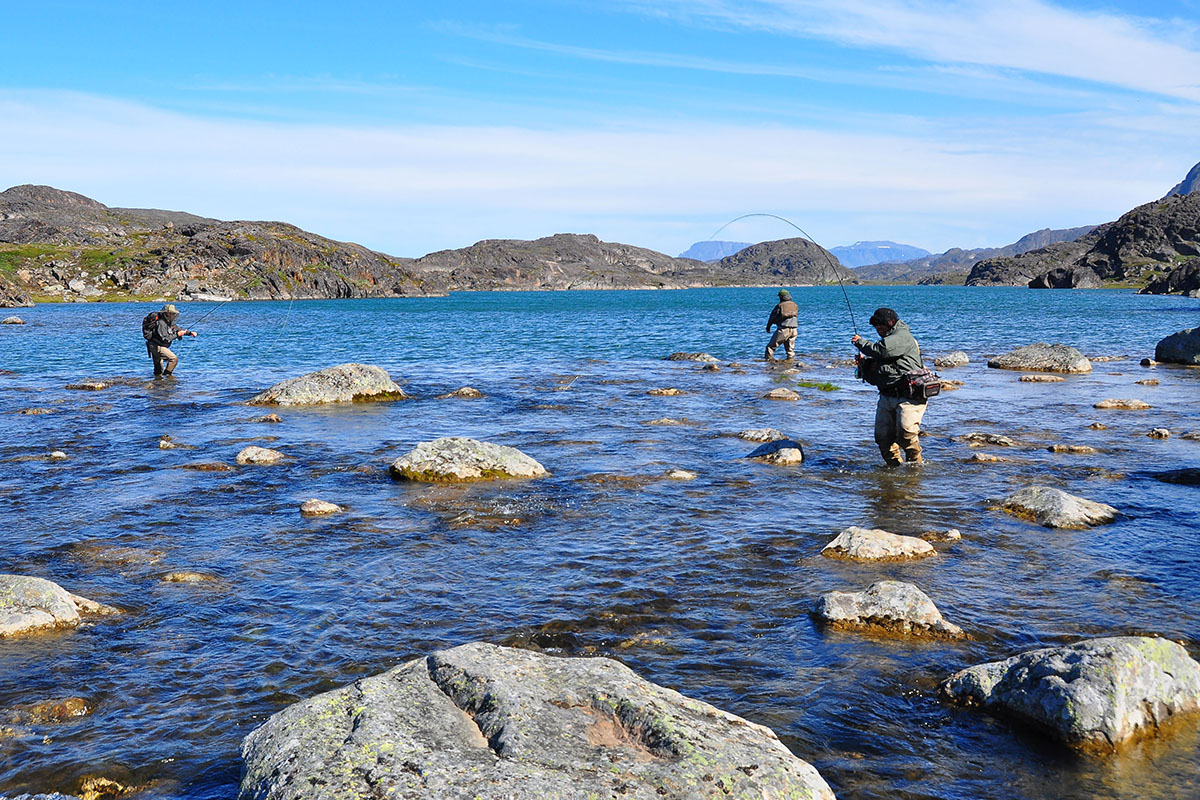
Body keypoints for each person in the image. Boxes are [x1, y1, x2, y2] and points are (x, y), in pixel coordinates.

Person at [852, 307, 926, 466]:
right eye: (876, 328)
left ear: (891, 323)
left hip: (909, 396)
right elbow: (876, 377)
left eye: (880, 327)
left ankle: (916, 467)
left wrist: (860, 342)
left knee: (906, 434)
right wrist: (865, 366)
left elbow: (882, 350)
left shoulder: (901, 337)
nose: (878, 330)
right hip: (887, 395)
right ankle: (893, 469)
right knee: (883, 438)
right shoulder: (887, 341)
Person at [143, 304, 197, 377]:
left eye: (174, 313)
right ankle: (168, 376)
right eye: (171, 313)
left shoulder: (168, 322)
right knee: (173, 359)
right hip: (156, 346)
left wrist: (189, 333)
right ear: (166, 313)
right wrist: (177, 335)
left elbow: (177, 329)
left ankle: (158, 382)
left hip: (154, 345)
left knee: (158, 371)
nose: (173, 315)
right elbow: (165, 337)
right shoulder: (161, 323)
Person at [764, 289, 799, 361]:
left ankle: (768, 362)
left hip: (784, 329)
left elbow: (772, 317)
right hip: (794, 330)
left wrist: (768, 327)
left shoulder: (780, 305)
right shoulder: (794, 305)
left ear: (781, 296)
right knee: (790, 350)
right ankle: (791, 362)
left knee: (770, 347)